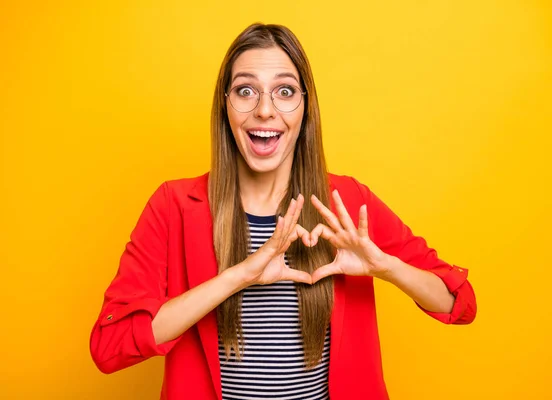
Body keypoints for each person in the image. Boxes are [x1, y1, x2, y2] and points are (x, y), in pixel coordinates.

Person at [90, 23, 477, 400]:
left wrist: (386, 267)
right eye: (245, 91)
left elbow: (459, 304)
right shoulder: (173, 206)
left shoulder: (345, 202)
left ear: (305, 107)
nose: (264, 111)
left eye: (284, 91)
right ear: (225, 105)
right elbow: (110, 347)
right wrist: (237, 277)